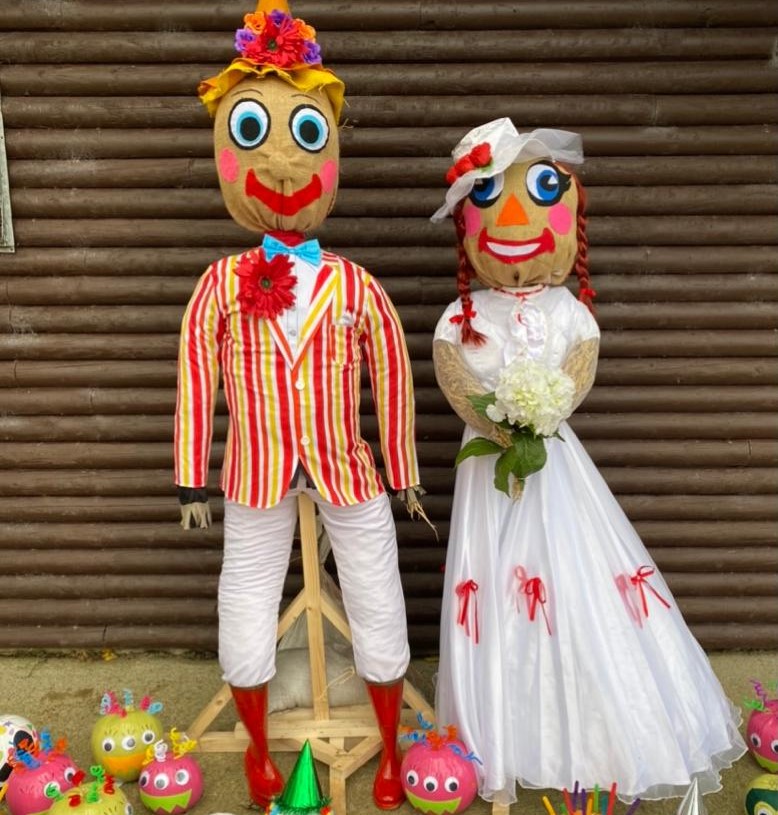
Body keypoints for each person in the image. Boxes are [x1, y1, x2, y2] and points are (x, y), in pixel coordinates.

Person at [430, 118, 745, 805]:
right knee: (497, 583)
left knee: (572, 579)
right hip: (491, 467)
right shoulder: (462, 316)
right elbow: (454, 376)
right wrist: (496, 418)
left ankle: (593, 725)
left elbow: (579, 369)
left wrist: (545, 409)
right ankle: (506, 730)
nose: (514, 219)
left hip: (556, 465)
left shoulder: (571, 311)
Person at [173, 2, 424, 809]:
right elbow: (193, 378)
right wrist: (192, 479)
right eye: (256, 136)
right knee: (243, 596)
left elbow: (393, 376)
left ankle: (390, 747)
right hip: (253, 468)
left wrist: (403, 469)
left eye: (305, 138)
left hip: (347, 467)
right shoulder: (218, 284)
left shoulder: (355, 285)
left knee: (378, 590)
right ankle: (255, 750)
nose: (282, 165)